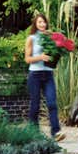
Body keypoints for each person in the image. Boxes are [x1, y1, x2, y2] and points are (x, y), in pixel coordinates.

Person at [24, 14, 65, 142]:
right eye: (39, 22)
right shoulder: (31, 38)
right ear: (35, 24)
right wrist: (40, 57)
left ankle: (56, 132)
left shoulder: (50, 37)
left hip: (48, 74)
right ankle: (33, 133)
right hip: (34, 75)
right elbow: (27, 59)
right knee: (35, 105)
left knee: (52, 103)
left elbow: (55, 52)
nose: (42, 24)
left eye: (44, 22)